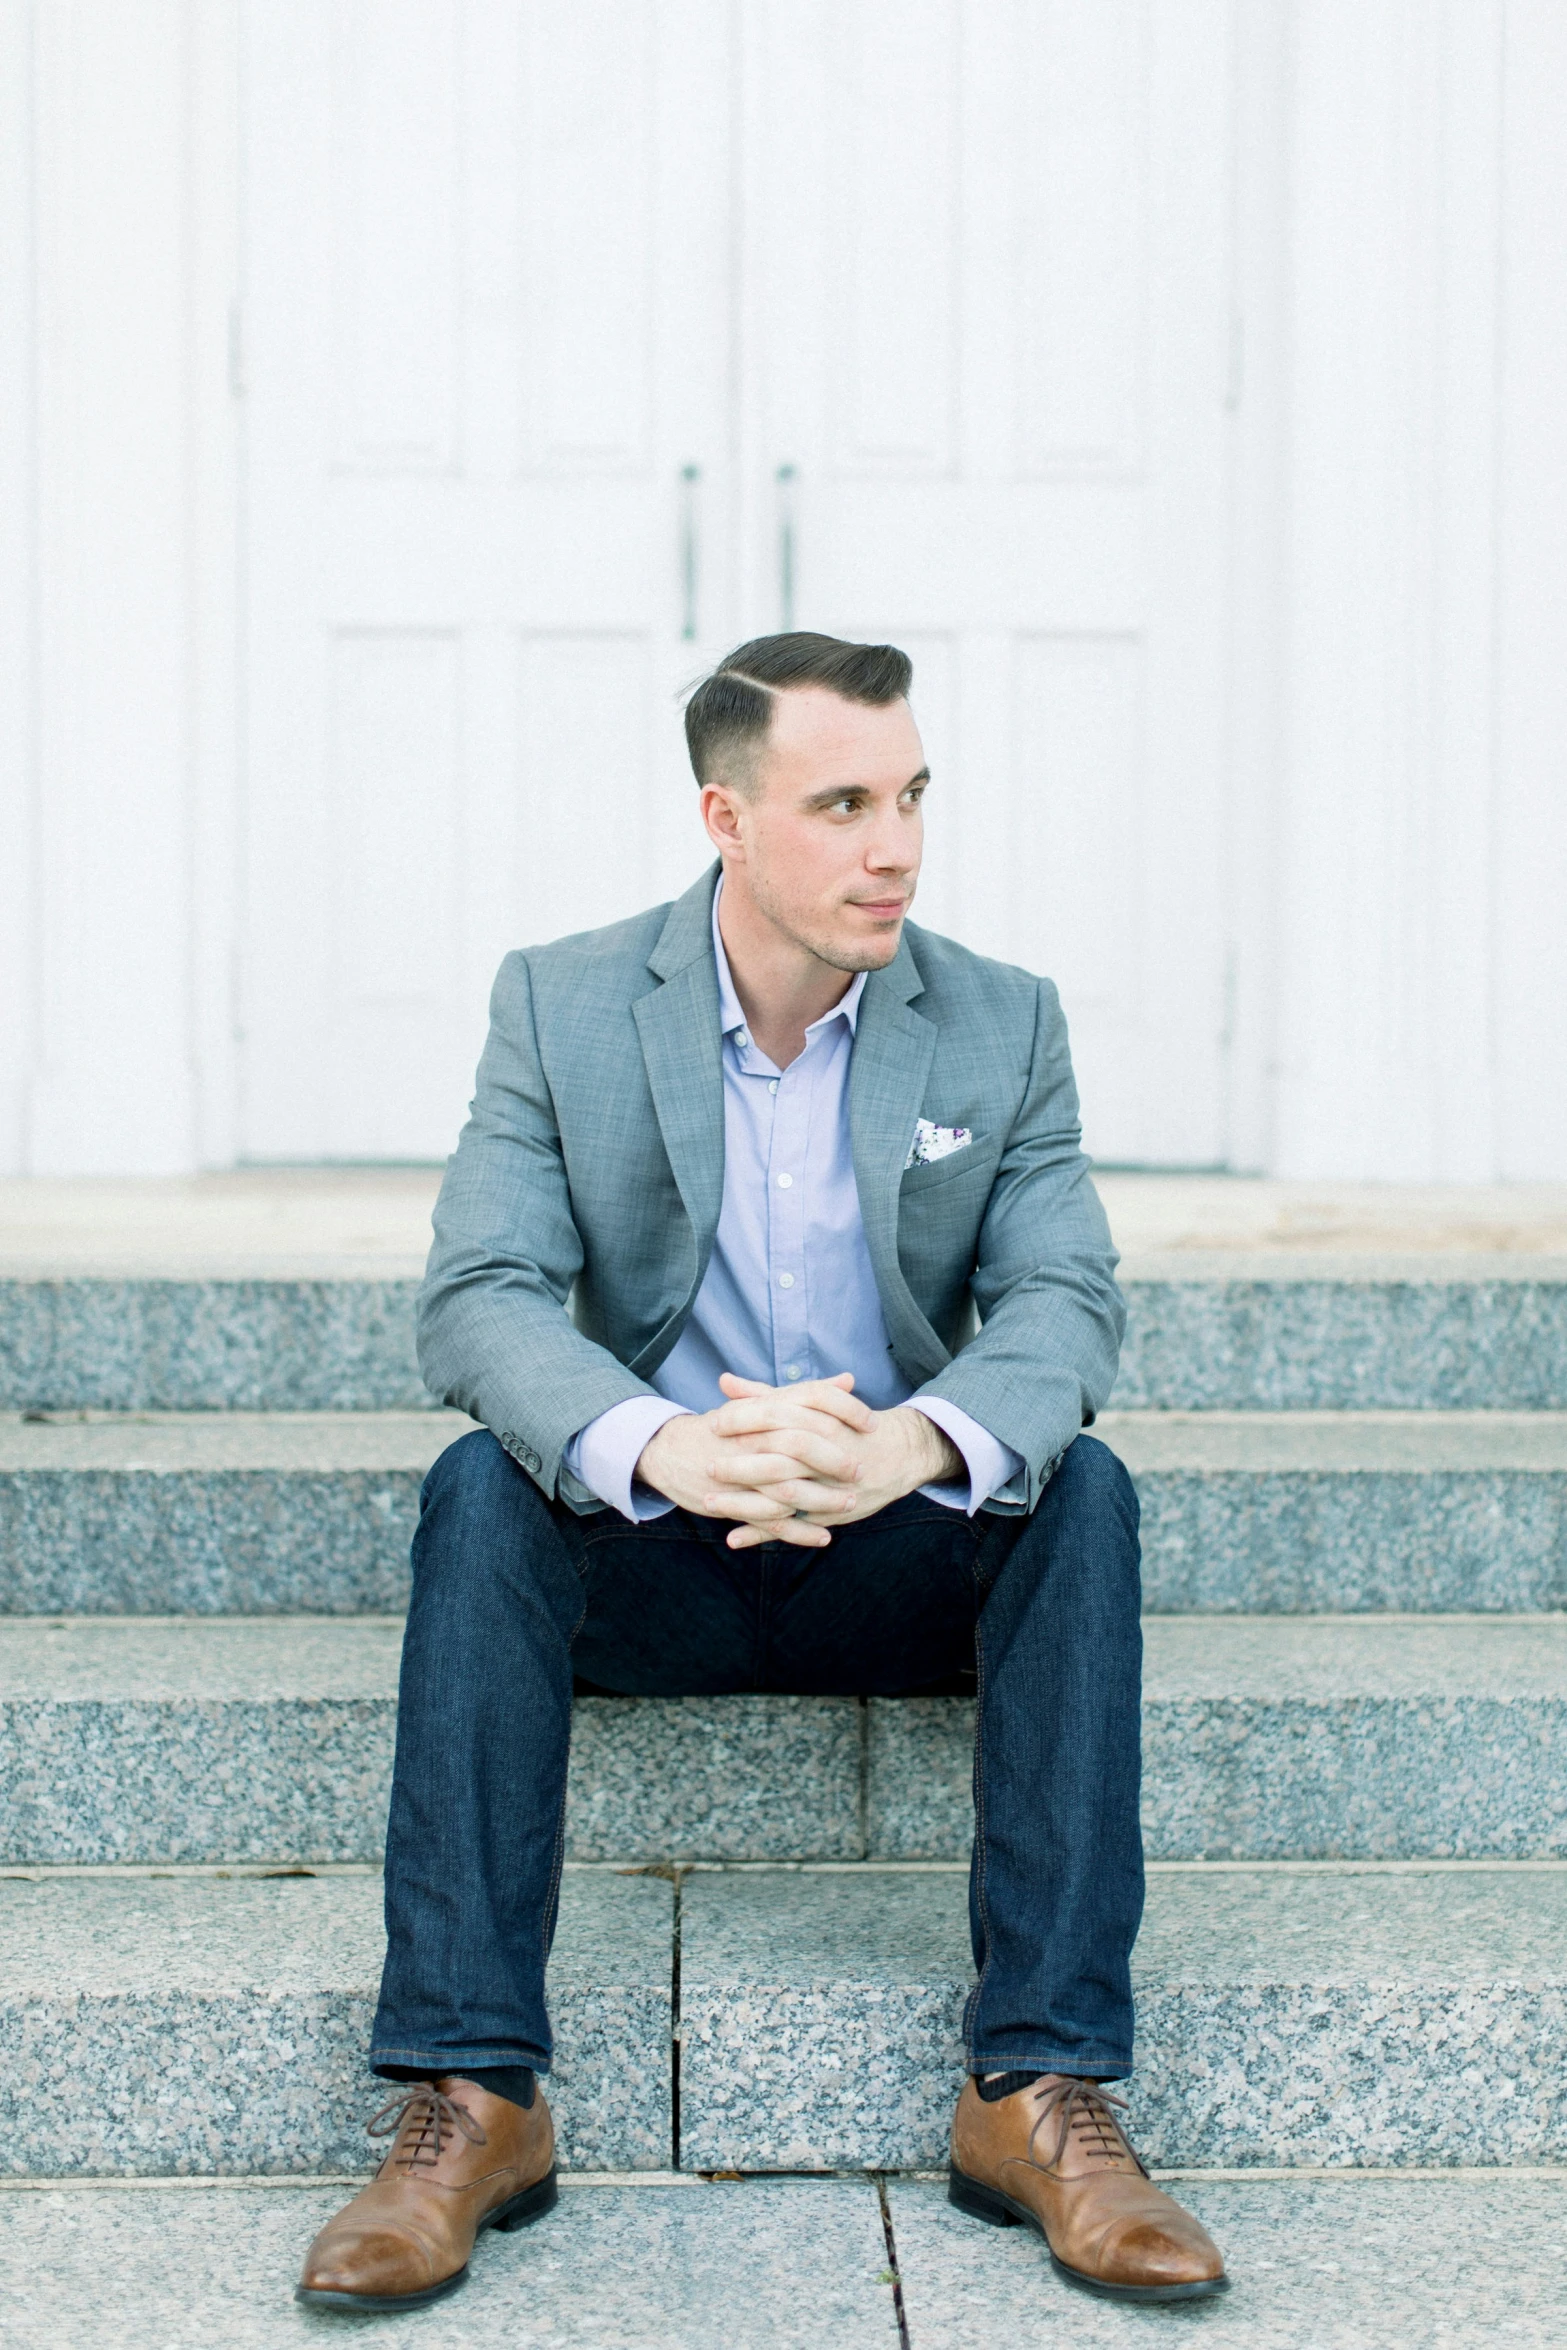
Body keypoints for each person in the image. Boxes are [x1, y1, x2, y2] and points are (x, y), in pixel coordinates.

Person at [296, 633, 1227, 2312]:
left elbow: (1062, 1297)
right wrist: (654, 1440)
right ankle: (471, 2093)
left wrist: (906, 1444)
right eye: (845, 802)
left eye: (914, 795)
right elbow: (478, 1290)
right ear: (725, 816)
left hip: (892, 1551)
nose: (897, 845)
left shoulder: (998, 1022)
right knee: (475, 1487)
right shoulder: (561, 1000)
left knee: (1080, 1492)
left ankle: (1037, 2087)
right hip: (654, 1542)